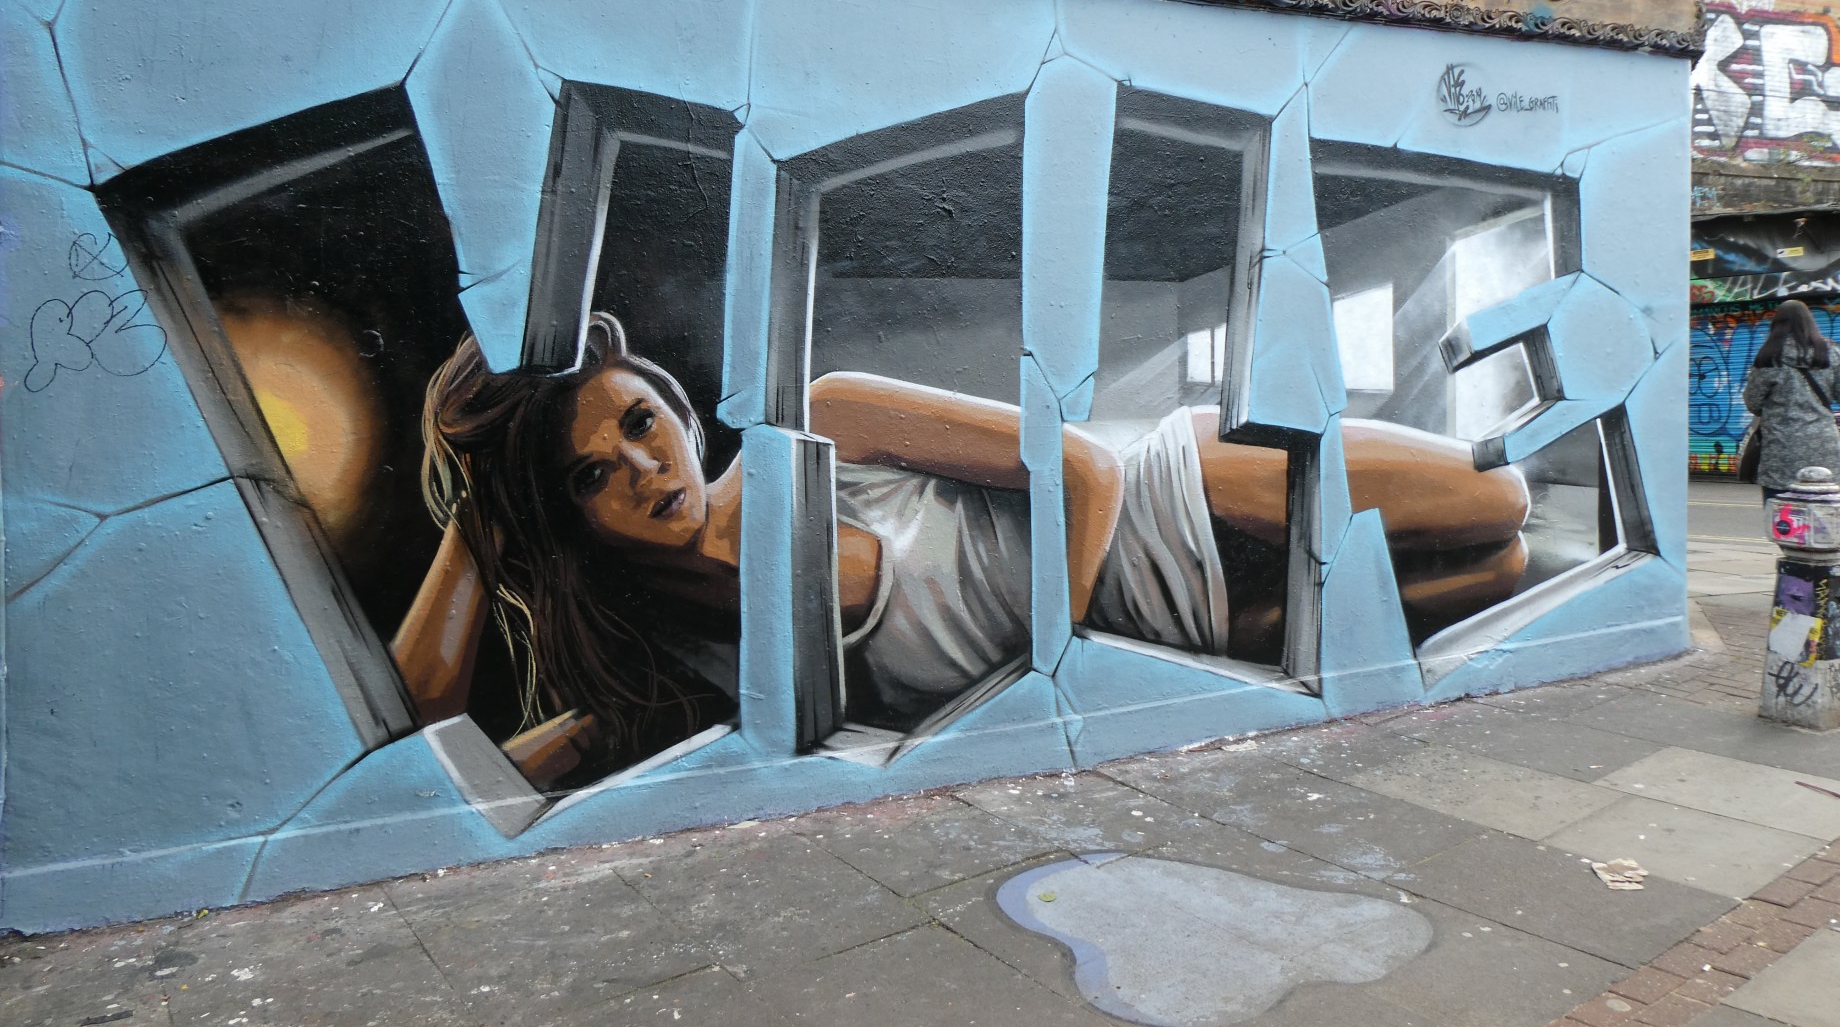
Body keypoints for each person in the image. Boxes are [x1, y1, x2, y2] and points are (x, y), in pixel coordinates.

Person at [391, 313, 1530, 786]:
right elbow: (413, 755)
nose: (644, 470)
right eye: (590, 475)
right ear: (566, 519)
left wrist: (1048, 674)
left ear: (678, 411)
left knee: (1499, 502)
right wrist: (479, 529)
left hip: (1169, 500)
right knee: (1500, 577)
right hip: (1172, 635)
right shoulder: (687, 656)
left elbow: (1081, 469)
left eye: (641, 425)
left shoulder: (822, 421)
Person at [1743, 299, 1840, 500]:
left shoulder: (1769, 357)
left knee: (1780, 510)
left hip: (1781, 448)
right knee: (1825, 508)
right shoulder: (1831, 352)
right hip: (1824, 445)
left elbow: (1753, 402)